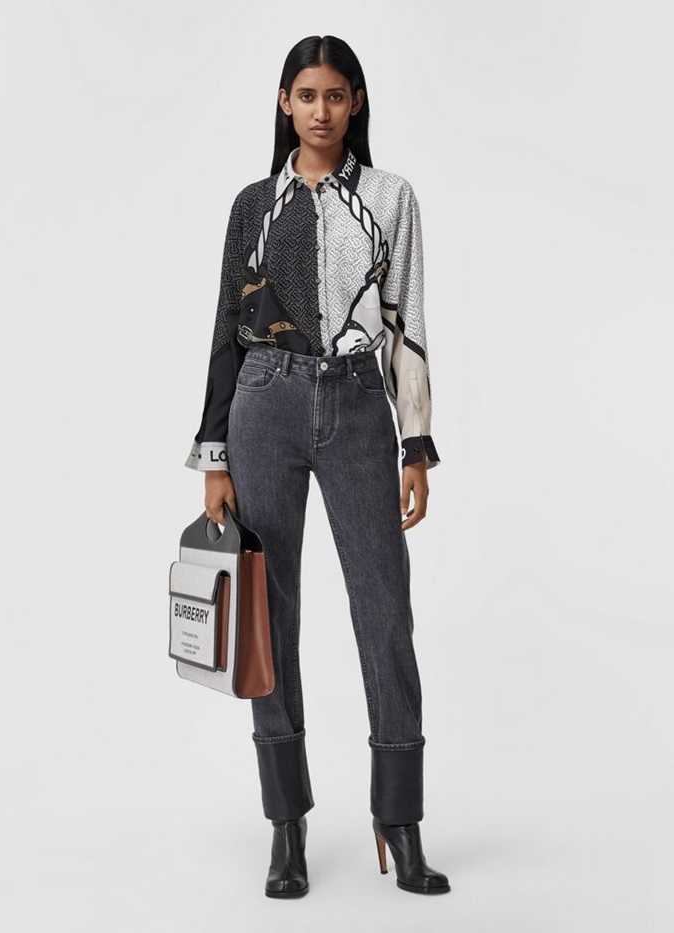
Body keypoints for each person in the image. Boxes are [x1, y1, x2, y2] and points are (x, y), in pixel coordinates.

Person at [184, 35, 451, 898]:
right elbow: (226, 329)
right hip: (263, 401)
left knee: (385, 611)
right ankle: (286, 824)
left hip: (357, 402)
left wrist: (416, 443)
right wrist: (214, 456)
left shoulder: (390, 197)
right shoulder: (253, 205)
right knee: (270, 616)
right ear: (284, 102)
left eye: (336, 94)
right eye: (307, 95)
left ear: (356, 102)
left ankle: (399, 820)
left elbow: (406, 322)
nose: (322, 110)